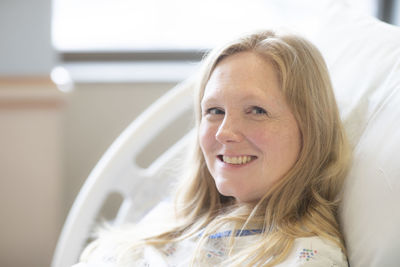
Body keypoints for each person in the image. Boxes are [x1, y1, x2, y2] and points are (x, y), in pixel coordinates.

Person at [73, 30, 351, 266]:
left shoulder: (306, 257)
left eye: (256, 110)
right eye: (215, 110)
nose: (225, 132)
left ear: (312, 128)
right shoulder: (171, 218)